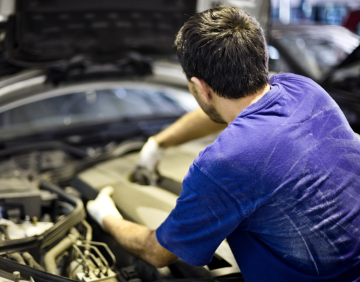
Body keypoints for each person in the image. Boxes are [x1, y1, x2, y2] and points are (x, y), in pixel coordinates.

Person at [87, 6, 360, 281]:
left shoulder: (224, 163)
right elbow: (236, 110)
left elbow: (157, 252)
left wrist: (107, 217)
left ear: (201, 88)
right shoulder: (304, 89)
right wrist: (159, 142)